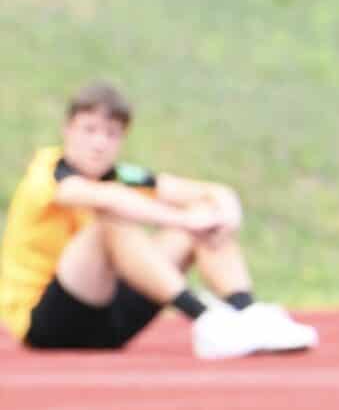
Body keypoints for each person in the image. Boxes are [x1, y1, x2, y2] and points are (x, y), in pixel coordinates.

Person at [2, 82, 320, 358]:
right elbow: (110, 200)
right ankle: (207, 320)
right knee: (111, 223)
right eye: (89, 130)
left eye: (111, 134)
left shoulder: (119, 175)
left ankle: (246, 313)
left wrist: (224, 205)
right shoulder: (48, 171)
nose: (99, 143)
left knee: (200, 217)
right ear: (68, 129)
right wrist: (184, 219)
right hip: (46, 323)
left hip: (109, 322)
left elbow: (199, 191)